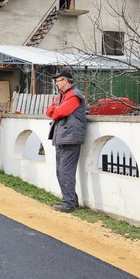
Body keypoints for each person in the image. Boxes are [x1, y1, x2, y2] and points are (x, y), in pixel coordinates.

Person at [45, 70, 87, 213]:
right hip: (62, 137)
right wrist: (56, 109)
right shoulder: (62, 96)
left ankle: (69, 203)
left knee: (65, 171)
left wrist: (56, 109)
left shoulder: (74, 95)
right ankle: (69, 199)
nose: (56, 83)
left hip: (70, 138)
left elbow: (60, 112)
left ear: (65, 80)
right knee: (60, 171)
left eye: (57, 81)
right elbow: (49, 112)